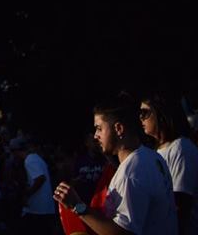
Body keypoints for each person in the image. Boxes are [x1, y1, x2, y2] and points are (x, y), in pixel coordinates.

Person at [53, 93, 177, 235]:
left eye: (99, 128)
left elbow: (124, 232)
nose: (95, 135)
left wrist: (77, 206)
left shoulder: (131, 172)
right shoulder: (152, 157)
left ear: (118, 129)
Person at [140, 94, 198, 235]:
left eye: (144, 112)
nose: (140, 117)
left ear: (160, 113)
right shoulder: (157, 151)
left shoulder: (181, 149)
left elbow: (180, 205)